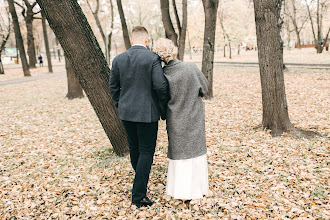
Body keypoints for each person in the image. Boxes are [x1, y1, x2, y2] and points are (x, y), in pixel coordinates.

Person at [109, 27, 169, 208]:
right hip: (147, 113)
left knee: (134, 148)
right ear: (146, 40)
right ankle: (138, 195)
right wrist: (163, 104)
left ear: (131, 39)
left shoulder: (118, 59)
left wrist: (121, 103)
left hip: (126, 112)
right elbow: (160, 86)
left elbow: (113, 87)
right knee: (146, 151)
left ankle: (139, 181)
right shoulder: (152, 58)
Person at [153, 38, 209, 201]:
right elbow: (204, 88)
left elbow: (161, 99)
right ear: (174, 50)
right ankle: (198, 189)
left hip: (175, 119)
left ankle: (179, 190)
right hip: (193, 117)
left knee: (179, 155)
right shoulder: (190, 68)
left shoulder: (162, 76)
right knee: (195, 152)